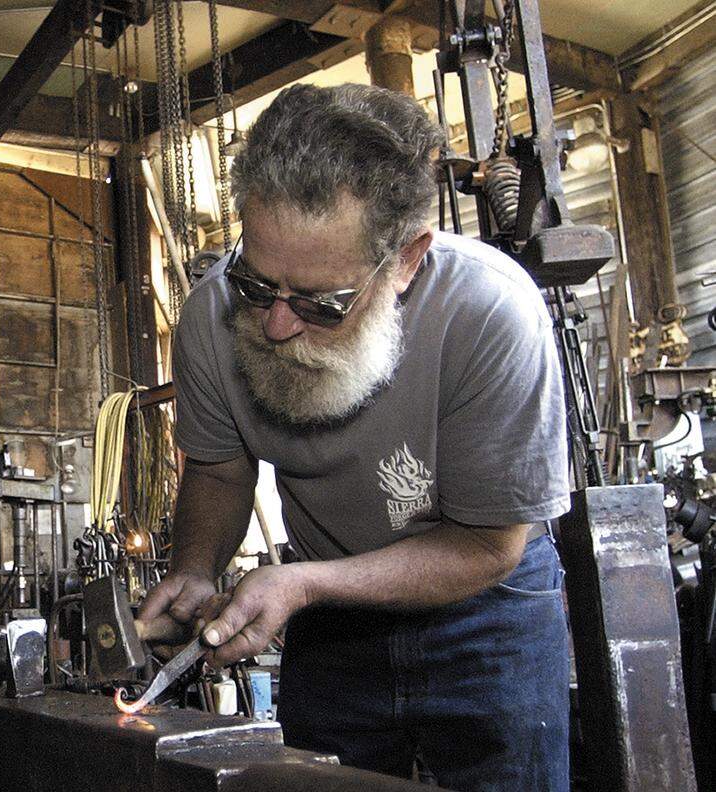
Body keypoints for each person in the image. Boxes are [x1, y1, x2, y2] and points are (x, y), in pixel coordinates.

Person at [138, 83, 571, 791]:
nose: (276, 325)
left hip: (486, 610)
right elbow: (219, 472)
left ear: (405, 261)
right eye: (257, 283)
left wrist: (303, 583)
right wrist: (194, 567)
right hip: (331, 616)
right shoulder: (210, 319)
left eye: (320, 302)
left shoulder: (492, 314)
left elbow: (490, 545)